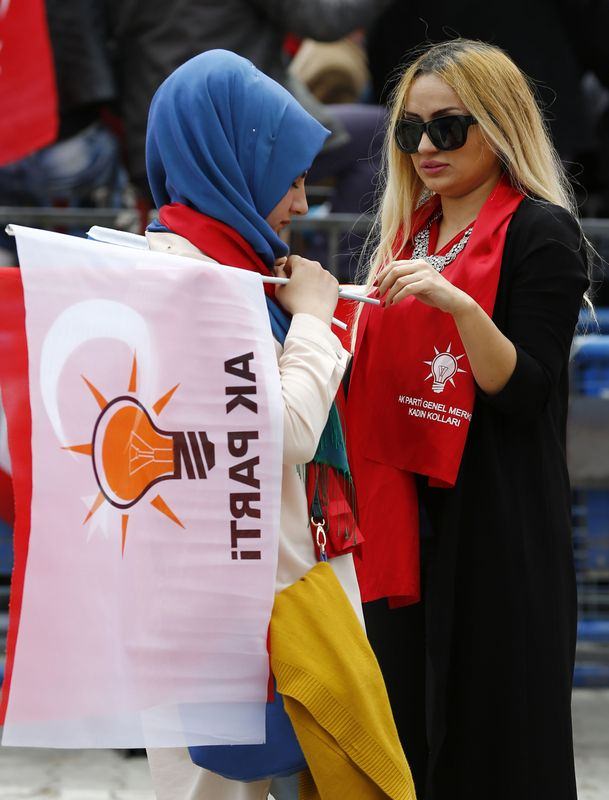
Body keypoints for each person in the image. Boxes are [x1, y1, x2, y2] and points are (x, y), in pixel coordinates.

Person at [345, 39, 590, 800]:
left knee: (497, 738)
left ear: (497, 124)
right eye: (409, 130)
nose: (424, 147)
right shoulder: (406, 234)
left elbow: (523, 388)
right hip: (407, 522)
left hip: (497, 526)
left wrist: (455, 303)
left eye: (447, 128)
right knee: (406, 733)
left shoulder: (540, 233)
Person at [143, 49, 363, 800]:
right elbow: (282, 435)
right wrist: (315, 324)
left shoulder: (218, 265)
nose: (300, 204)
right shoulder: (195, 282)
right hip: (232, 600)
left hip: (246, 588)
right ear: (229, 163)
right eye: (289, 178)